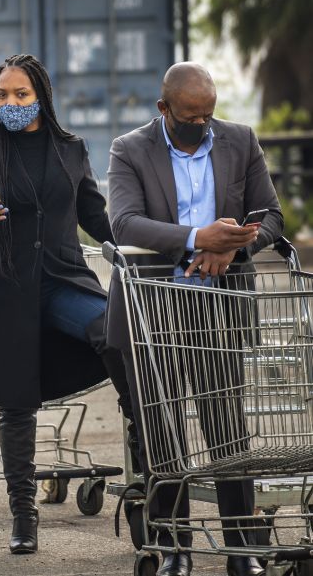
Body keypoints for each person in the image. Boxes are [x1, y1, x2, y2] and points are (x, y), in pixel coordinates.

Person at [106, 62, 283, 576]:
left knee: (227, 428)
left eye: (208, 115)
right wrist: (195, 237)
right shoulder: (129, 149)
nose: (202, 125)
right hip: (153, 303)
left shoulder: (239, 141)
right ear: (164, 110)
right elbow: (123, 223)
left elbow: (269, 216)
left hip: (217, 306)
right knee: (163, 430)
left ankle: (241, 546)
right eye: (190, 116)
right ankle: (174, 548)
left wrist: (231, 248)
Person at [0, 54, 134, 555]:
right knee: (17, 406)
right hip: (8, 290)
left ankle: (144, 444)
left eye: (20, 94)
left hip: (64, 280)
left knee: (113, 333)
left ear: (41, 97)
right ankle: (23, 513)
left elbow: (95, 217)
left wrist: (137, 243)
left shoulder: (71, 149)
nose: (10, 103)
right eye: (2, 95)